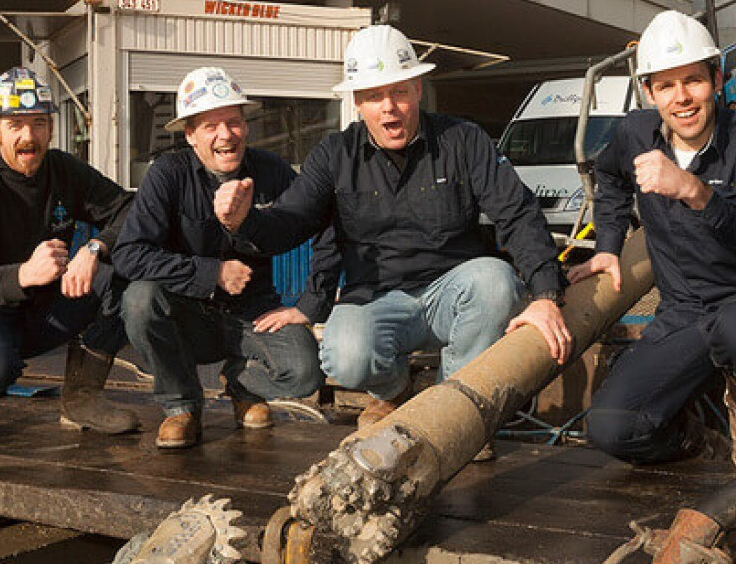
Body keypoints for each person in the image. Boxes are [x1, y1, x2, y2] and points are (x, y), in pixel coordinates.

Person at [214, 24, 571, 452]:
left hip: (453, 293)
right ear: (357, 102)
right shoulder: (334, 155)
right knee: (345, 358)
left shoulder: (463, 140)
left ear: (418, 89)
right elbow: (292, 219)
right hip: (374, 297)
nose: (389, 109)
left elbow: (517, 212)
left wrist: (547, 294)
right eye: (373, 96)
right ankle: (394, 392)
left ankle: (453, 412)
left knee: (496, 281)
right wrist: (243, 222)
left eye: (399, 92)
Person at [569, 10, 736, 470]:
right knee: (611, 427)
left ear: (716, 79)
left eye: (693, 81)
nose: (682, 98)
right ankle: (696, 441)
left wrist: (693, 191)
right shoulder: (634, 133)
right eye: (667, 86)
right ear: (649, 92)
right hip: (683, 311)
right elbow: (610, 177)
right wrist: (609, 245)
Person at [114, 67, 332, 449]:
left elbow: (324, 224)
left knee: (305, 374)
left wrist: (310, 303)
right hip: (188, 316)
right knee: (139, 300)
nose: (225, 135)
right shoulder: (168, 174)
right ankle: (181, 405)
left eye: (233, 122)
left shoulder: (272, 171)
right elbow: (130, 254)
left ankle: (242, 385)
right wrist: (210, 272)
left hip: (254, 314)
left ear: (246, 127)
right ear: (190, 136)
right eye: (210, 126)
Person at [0, 66, 141, 444]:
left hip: (40, 308)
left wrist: (94, 248)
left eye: (39, 123)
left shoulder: (61, 170)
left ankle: (81, 399)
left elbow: (130, 209)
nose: (29, 137)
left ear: (51, 128)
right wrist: (23, 274)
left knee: (125, 281)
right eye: (16, 125)